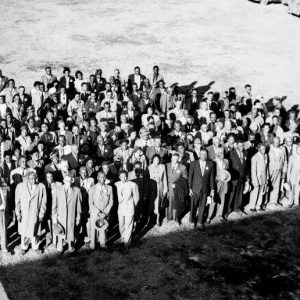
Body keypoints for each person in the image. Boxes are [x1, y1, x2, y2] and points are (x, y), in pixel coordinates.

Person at [15, 170, 47, 255]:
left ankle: (35, 247)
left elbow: (44, 202)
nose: (34, 180)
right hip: (24, 213)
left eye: (35, 178)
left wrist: (41, 214)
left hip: (35, 213)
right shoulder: (20, 186)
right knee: (24, 231)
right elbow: (17, 202)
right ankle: (24, 247)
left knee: (35, 231)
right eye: (32, 179)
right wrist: (18, 214)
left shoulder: (41, 187)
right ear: (27, 179)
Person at [52, 173, 82, 253]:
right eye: (66, 180)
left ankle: (70, 245)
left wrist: (78, 218)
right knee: (61, 230)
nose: (68, 182)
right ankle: (60, 245)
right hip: (60, 215)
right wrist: (54, 217)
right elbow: (54, 205)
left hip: (71, 216)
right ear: (63, 181)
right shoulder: (57, 190)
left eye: (70, 180)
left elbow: (79, 207)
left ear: (72, 181)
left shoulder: (77, 190)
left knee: (70, 230)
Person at [188, 149, 215, 229]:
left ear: (206, 155)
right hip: (195, 189)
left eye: (205, 154)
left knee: (202, 206)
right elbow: (190, 177)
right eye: (202, 153)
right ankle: (192, 221)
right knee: (193, 206)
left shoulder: (210, 164)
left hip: (205, 189)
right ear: (199, 154)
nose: (203, 155)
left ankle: (200, 222)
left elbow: (211, 178)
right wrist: (190, 189)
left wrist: (212, 190)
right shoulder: (193, 164)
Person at [115, 170, 139, 254]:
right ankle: (123, 238)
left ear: (127, 176)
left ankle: (126, 244)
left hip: (129, 208)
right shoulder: (117, 184)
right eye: (121, 177)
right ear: (119, 177)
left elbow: (136, 197)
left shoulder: (132, 185)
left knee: (128, 225)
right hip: (121, 209)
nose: (123, 178)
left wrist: (132, 206)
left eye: (125, 176)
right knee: (121, 224)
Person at [88, 171, 113, 251]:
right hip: (95, 213)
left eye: (104, 177)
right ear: (97, 178)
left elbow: (111, 201)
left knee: (103, 228)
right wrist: (98, 213)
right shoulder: (92, 189)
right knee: (93, 229)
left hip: (104, 213)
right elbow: (90, 203)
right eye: (101, 177)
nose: (103, 179)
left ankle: (103, 244)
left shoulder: (109, 188)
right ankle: (93, 246)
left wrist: (105, 212)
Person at [227, 140, 250, 217]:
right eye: (240, 146)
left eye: (242, 146)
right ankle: (228, 210)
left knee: (239, 194)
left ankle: (237, 208)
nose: (242, 147)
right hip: (233, 178)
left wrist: (247, 179)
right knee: (231, 194)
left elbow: (247, 168)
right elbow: (228, 166)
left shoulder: (245, 153)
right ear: (236, 145)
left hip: (242, 178)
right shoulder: (231, 153)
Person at [166, 152, 188, 221]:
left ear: (178, 159)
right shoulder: (167, 165)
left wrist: (177, 184)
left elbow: (185, 179)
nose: (174, 160)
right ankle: (169, 217)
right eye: (173, 159)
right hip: (168, 186)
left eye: (176, 159)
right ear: (171, 158)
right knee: (168, 202)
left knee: (176, 203)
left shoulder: (182, 167)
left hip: (177, 187)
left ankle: (176, 218)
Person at [266, 137, 287, 209]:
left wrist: (284, 171)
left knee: (276, 186)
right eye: (275, 142)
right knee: (268, 186)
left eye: (278, 142)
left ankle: (274, 202)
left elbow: (285, 161)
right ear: (272, 142)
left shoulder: (282, 149)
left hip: (278, 170)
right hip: (270, 170)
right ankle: (265, 202)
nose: (276, 143)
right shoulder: (268, 148)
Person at [148, 154, 168, 225]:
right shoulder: (149, 167)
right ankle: (150, 219)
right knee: (151, 203)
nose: (156, 161)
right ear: (152, 160)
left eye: (157, 159)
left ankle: (158, 219)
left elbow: (164, 178)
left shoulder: (162, 167)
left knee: (158, 203)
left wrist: (165, 189)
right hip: (152, 187)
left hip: (159, 187)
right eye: (154, 160)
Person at [248, 144, 269, 212]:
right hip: (257, 177)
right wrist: (255, 180)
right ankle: (252, 206)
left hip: (263, 176)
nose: (264, 150)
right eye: (262, 149)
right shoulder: (254, 157)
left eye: (264, 149)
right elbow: (253, 170)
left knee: (261, 191)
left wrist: (267, 177)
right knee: (255, 191)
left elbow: (266, 167)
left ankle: (258, 206)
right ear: (258, 149)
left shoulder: (266, 156)